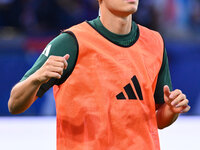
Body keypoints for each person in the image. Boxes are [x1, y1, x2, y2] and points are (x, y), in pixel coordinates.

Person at [8, 0, 190, 149]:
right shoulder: (71, 42)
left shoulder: (155, 42)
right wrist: (36, 79)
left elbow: (156, 120)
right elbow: (15, 104)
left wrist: (171, 110)